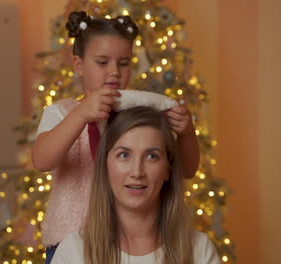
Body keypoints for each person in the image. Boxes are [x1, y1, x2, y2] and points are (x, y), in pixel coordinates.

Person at [31, 11, 200, 263]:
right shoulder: (62, 113)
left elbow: (185, 170)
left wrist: (186, 133)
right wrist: (80, 115)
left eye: (123, 63)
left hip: (129, 242)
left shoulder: (137, 117)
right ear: (78, 65)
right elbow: (42, 161)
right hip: (71, 243)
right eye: (102, 62)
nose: (114, 72)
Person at [51, 107, 220, 264]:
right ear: (105, 166)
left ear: (168, 169)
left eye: (151, 156)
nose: (137, 172)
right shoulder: (73, 251)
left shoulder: (199, 249)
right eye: (124, 155)